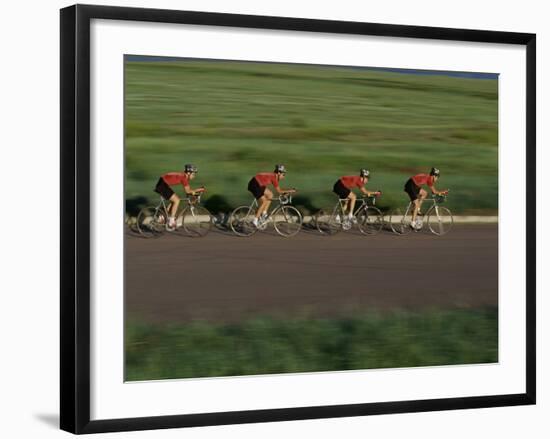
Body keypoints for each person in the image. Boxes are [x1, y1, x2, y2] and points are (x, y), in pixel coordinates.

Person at [154, 164, 205, 229]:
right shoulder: (184, 178)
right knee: (177, 200)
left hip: (163, 184)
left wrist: (195, 192)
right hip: (162, 185)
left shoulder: (184, 177)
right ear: (188, 173)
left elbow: (188, 191)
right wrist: (199, 190)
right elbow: (188, 191)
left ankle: (162, 216)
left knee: (174, 200)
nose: (194, 176)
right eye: (193, 174)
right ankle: (171, 221)